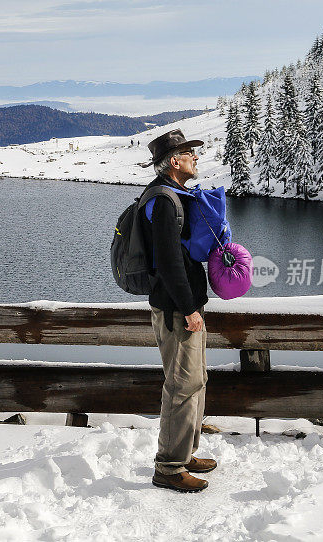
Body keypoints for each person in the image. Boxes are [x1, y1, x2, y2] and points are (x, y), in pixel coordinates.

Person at [140, 129, 216, 493]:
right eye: (190, 153)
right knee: (182, 386)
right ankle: (168, 467)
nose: (195, 158)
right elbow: (169, 263)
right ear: (175, 161)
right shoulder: (164, 201)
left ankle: (184, 454)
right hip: (176, 310)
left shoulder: (173, 196)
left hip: (185, 306)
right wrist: (188, 309)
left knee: (196, 380)